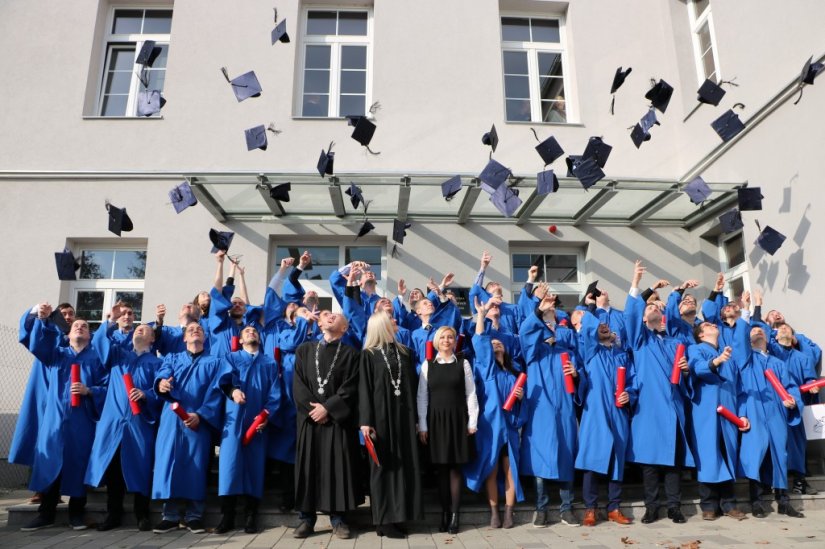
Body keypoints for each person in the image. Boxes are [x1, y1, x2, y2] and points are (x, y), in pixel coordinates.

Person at [21, 305, 108, 532]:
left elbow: (108, 387)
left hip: (83, 422)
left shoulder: (97, 359)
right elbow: (37, 343)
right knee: (50, 462)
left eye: (85, 327)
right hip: (55, 421)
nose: (80, 327)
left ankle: (76, 513)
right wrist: (39, 316)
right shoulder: (56, 354)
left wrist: (90, 391)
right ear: (68, 333)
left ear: (90, 335)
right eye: (76, 325)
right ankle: (46, 513)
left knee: (79, 464)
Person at [624, 261, 694, 525]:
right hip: (650, 409)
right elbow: (630, 314)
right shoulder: (640, 341)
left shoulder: (675, 342)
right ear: (643, 318)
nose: (654, 307)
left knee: (673, 462)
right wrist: (638, 283)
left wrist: (686, 371)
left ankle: (674, 507)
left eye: (657, 306)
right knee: (650, 463)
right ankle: (652, 507)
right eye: (649, 306)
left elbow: (685, 375)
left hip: (673, 407)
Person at [87, 306, 162, 531]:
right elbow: (100, 343)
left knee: (141, 465)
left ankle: (142, 514)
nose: (139, 330)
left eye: (144, 329)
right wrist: (111, 320)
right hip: (114, 420)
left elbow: (161, 391)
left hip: (140, 422)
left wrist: (146, 394)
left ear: (152, 338)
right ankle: (113, 514)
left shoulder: (157, 363)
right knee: (113, 469)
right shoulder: (119, 355)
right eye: (137, 329)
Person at [292, 309, 363, 539]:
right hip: (310, 421)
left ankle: (338, 519)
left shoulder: (352, 354)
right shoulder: (304, 350)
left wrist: (328, 408)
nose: (330, 316)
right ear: (319, 323)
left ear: (345, 328)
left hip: (337, 423)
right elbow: (298, 384)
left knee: (338, 469)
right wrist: (315, 410)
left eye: (337, 316)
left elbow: (352, 387)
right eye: (325, 315)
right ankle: (306, 518)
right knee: (308, 468)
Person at [152, 322, 224, 534]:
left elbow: (217, 391)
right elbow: (161, 375)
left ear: (205, 337)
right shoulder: (172, 358)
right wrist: (161, 384)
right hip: (172, 419)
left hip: (197, 420)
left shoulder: (215, 362)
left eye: (199, 329)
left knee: (197, 464)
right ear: (184, 338)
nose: (195, 331)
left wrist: (200, 414)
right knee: (169, 463)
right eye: (190, 329)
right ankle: (170, 516)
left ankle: (194, 516)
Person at [518, 283, 580, 528]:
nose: (549, 312)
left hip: (564, 403)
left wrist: (576, 373)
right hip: (541, 403)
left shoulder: (566, 340)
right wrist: (537, 310)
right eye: (545, 311)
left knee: (566, 452)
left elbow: (580, 365)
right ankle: (541, 508)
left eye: (552, 310)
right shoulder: (534, 345)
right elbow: (525, 333)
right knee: (541, 454)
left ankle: (567, 508)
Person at [358, 312, 423, 538]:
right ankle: (383, 520)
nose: (396, 322)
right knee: (382, 468)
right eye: (391, 320)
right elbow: (364, 389)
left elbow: (413, 388)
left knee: (403, 466)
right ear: (381, 326)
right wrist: (365, 422)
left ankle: (399, 516)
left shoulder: (406, 352)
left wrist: (417, 419)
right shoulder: (368, 355)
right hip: (380, 419)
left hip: (404, 417)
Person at [464, 299, 527, 529]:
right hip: (490, 427)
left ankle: (509, 513)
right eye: (493, 343)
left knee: (510, 471)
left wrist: (520, 399)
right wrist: (481, 315)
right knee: (491, 470)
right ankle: (494, 513)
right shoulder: (486, 368)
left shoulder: (514, 372)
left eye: (500, 342)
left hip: (509, 427)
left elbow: (523, 405)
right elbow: (480, 340)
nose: (497, 343)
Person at [215, 325, 282, 534]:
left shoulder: (270, 363)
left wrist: (266, 416)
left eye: (254, 331)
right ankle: (227, 517)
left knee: (255, 467)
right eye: (246, 331)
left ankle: (251, 517)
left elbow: (275, 394)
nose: (251, 332)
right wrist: (234, 390)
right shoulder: (231, 358)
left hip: (257, 421)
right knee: (229, 467)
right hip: (233, 419)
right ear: (241, 340)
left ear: (260, 339)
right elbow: (223, 382)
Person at [575, 296, 634, 526]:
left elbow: (633, 381)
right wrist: (590, 305)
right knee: (592, 458)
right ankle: (590, 508)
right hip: (596, 411)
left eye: (606, 325)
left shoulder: (622, 356)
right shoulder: (591, 352)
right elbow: (588, 326)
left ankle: (614, 507)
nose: (603, 327)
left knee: (616, 459)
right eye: (599, 326)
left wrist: (630, 394)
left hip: (618, 411)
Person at [10, 302, 74, 505]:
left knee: (65, 442)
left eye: (71, 314)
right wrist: (38, 313)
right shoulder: (46, 335)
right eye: (63, 313)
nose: (68, 317)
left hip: (65, 396)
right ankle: (40, 489)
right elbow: (29, 333)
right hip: (43, 392)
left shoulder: (75, 341)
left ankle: (57, 489)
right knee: (39, 437)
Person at [417, 326, 479, 535]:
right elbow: (422, 397)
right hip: (435, 422)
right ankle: (443, 513)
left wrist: (473, 421)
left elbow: (471, 393)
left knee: (455, 469)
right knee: (441, 470)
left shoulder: (464, 364)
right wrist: (423, 425)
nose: (446, 340)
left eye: (450, 337)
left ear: (454, 341)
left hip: (458, 421)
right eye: (442, 337)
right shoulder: (428, 365)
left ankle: (454, 515)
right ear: (436, 341)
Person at [686, 320, 749, 521]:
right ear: (701, 334)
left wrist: (742, 413)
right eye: (708, 325)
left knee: (727, 452)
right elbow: (698, 369)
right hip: (706, 410)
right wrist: (716, 361)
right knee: (708, 455)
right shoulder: (696, 348)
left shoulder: (728, 356)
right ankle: (709, 504)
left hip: (729, 411)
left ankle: (729, 504)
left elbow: (740, 388)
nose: (714, 325)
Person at [739, 326, 804, 518]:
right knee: (755, 454)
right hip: (755, 410)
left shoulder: (778, 363)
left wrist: (792, 402)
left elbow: (791, 387)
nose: (757, 332)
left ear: (768, 337)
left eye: (761, 330)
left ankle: (783, 501)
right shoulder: (747, 360)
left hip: (776, 412)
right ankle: (756, 502)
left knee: (780, 456)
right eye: (753, 330)